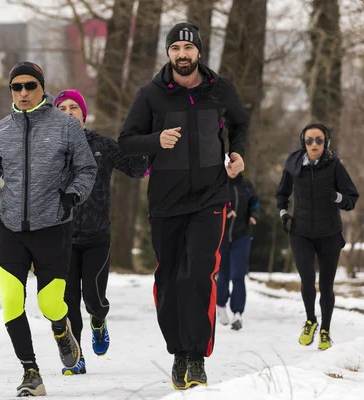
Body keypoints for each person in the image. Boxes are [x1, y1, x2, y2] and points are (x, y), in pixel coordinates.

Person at [118, 22, 249, 390]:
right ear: (168, 53)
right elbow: (127, 141)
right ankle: (178, 352)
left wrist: (237, 152)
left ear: (199, 53)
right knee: (170, 277)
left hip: (210, 197)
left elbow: (240, 123)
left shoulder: (219, 90)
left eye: (188, 49)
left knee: (198, 274)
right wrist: (155, 140)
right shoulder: (151, 95)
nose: (182, 54)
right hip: (165, 201)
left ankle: (195, 356)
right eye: (176, 48)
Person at [0, 62, 97, 396]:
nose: (23, 92)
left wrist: (74, 194)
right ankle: (31, 372)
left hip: (53, 225)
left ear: (41, 87)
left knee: (50, 303)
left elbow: (86, 169)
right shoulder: (0, 131)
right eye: (16, 87)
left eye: (29, 86)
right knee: (11, 302)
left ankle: (61, 329)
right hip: (10, 226)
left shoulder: (66, 126)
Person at [53, 89, 148, 375]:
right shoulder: (48, 149)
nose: (68, 112)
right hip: (62, 237)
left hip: (97, 236)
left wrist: (147, 142)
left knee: (93, 297)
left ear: (84, 114)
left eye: (74, 107)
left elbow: (136, 169)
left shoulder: (102, 146)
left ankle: (98, 320)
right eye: (62, 108)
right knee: (68, 301)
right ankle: (76, 356)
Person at [275, 123, 358, 350]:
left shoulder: (334, 166)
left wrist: (335, 197)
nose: (314, 144)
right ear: (303, 141)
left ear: (326, 142)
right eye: (309, 140)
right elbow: (282, 193)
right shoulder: (293, 164)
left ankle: (325, 331)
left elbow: (352, 199)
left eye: (319, 140)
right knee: (307, 280)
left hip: (329, 234)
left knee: (326, 285)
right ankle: (310, 320)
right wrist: (284, 214)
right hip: (300, 232)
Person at [216, 155, 260, 331]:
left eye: (235, 166)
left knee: (238, 275)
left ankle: (238, 313)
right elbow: (212, 207)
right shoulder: (218, 185)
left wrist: (253, 217)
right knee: (223, 274)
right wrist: (225, 213)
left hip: (242, 236)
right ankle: (220, 306)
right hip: (221, 236)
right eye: (229, 166)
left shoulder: (246, 185)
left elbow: (255, 204)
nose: (232, 170)